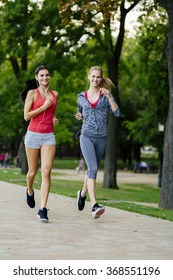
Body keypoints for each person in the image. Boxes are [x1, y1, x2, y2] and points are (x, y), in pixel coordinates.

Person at [76, 66, 121, 219]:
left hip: (101, 138)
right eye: (93, 76)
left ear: (101, 78)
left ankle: (82, 194)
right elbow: (80, 110)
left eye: (98, 77)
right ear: (89, 76)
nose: (95, 79)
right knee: (93, 168)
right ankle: (94, 205)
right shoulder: (81, 96)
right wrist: (79, 115)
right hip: (86, 136)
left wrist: (110, 97)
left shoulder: (105, 96)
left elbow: (117, 113)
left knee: (91, 171)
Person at [22, 65, 58, 222]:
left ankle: (43, 209)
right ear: (36, 77)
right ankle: (29, 190)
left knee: (46, 172)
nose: (45, 78)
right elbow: (26, 116)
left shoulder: (55, 94)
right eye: (42, 75)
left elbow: (51, 113)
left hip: (49, 136)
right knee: (32, 172)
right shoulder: (32, 94)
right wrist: (43, 106)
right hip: (33, 136)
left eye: (47, 75)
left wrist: (54, 119)